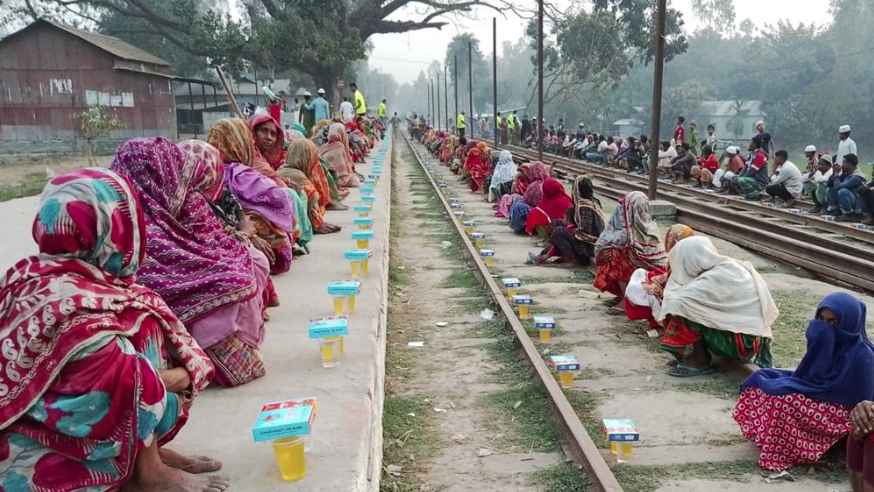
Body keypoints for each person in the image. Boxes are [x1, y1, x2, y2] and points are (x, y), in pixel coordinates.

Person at [0, 167, 227, 491]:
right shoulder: (70, 302)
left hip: (52, 420)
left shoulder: (31, 273)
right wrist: (183, 376)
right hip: (38, 446)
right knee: (141, 337)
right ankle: (147, 473)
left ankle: (148, 454)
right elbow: (127, 382)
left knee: (141, 312)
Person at [112, 137, 271, 389]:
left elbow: (216, 238)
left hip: (185, 293)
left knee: (246, 265)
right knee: (231, 276)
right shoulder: (121, 219)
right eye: (169, 167)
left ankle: (214, 350)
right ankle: (200, 356)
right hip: (144, 328)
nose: (177, 174)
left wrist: (234, 249)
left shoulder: (184, 196)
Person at [735, 292, 874, 473]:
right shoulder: (827, 341)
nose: (824, 327)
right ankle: (768, 439)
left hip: (842, 415)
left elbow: (861, 404)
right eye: (821, 320)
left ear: (849, 323)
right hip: (819, 393)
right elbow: (809, 375)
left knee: (783, 402)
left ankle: (792, 452)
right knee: (760, 380)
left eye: (833, 323)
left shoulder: (863, 356)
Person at [658, 236, 776, 376]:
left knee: (682, 306)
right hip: (749, 339)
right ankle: (697, 356)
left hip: (740, 344)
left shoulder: (715, 277)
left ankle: (699, 360)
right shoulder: (727, 266)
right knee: (688, 304)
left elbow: (677, 301)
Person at [593, 191, 667, 300]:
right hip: (654, 275)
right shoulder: (651, 226)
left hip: (650, 277)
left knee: (613, 255)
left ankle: (626, 298)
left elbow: (602, 245)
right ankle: (626, 295)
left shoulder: (626, 232)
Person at [624, 224, 695, 329]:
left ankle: (662, 320)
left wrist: (658, 288)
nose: (669, 243)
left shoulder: (688, 259)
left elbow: (679, 281)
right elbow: (669, 274)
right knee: (639, 274)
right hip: (670, 287)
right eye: (669, 238)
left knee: (638, 289)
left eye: (673, 239)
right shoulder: (679, 255)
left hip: (678, 295)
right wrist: (659, 280)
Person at [531, 176, 605, 266]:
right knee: (557, 225)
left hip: (589, 248)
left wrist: (569, 230)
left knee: (558, 232)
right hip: (592, 243)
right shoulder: (594, 202)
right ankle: (544, 255)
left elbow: (585, 233)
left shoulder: (584, 207)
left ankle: (571, 259)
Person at [284, 138, 342, 234]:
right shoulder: (299, 177)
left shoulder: (281, 170)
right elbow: (313, 200)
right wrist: (317, 224)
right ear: (306, 158)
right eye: (312, 157)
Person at [827, 153, 867, 222]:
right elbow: (829, 184)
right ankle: (836, 210)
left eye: (844, 162)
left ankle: (849, 214)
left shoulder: (857, 176)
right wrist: (834, 173)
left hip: (859, 206)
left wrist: (836, 174)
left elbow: (839, 187)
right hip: (853, 200)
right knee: (830, 189)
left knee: (843, 191)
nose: (842, 165)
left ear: (850, 164)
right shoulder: (846, 173)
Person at [320, 123, 361, 188]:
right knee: (355, 181)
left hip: (322, 177)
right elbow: (343, 176)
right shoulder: (339, 146)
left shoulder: (324, 146)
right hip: (334, 178)